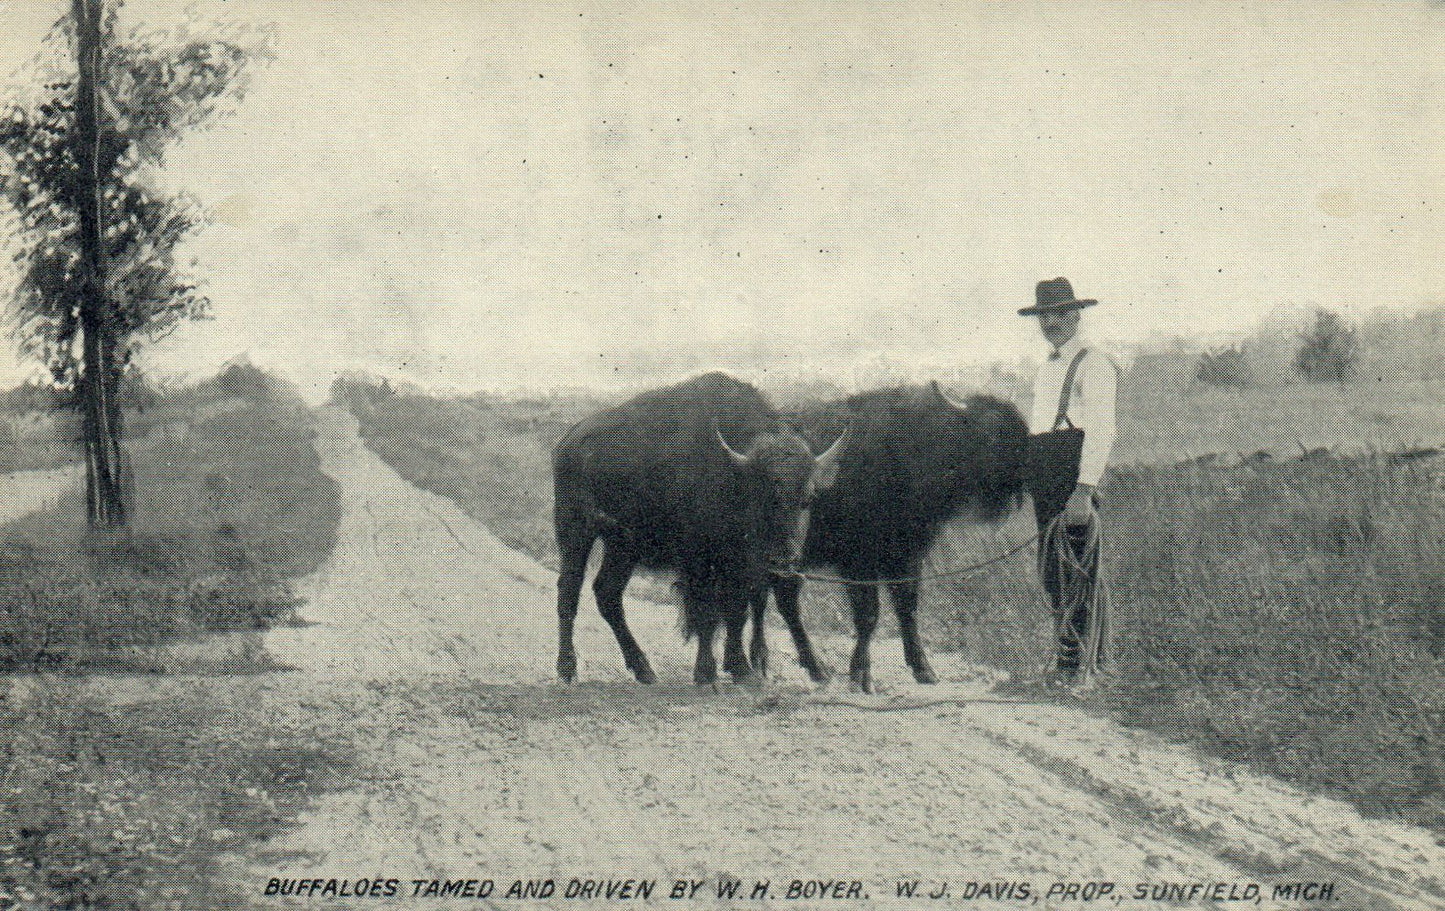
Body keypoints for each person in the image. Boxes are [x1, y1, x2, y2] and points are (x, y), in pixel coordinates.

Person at [1019, 277, 1119, 687]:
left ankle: (1080, 667)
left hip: (1072, 478)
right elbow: (1042, 430)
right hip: (1047, 475)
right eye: (1044, 315)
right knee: (1053, 570)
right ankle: (1070, 658)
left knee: (1078, 571)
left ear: (1076, 314)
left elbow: (1102, 431)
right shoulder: (1047, 368)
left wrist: (1084, 490)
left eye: (1060, 313)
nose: (1051, 322)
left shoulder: (1094, 363)